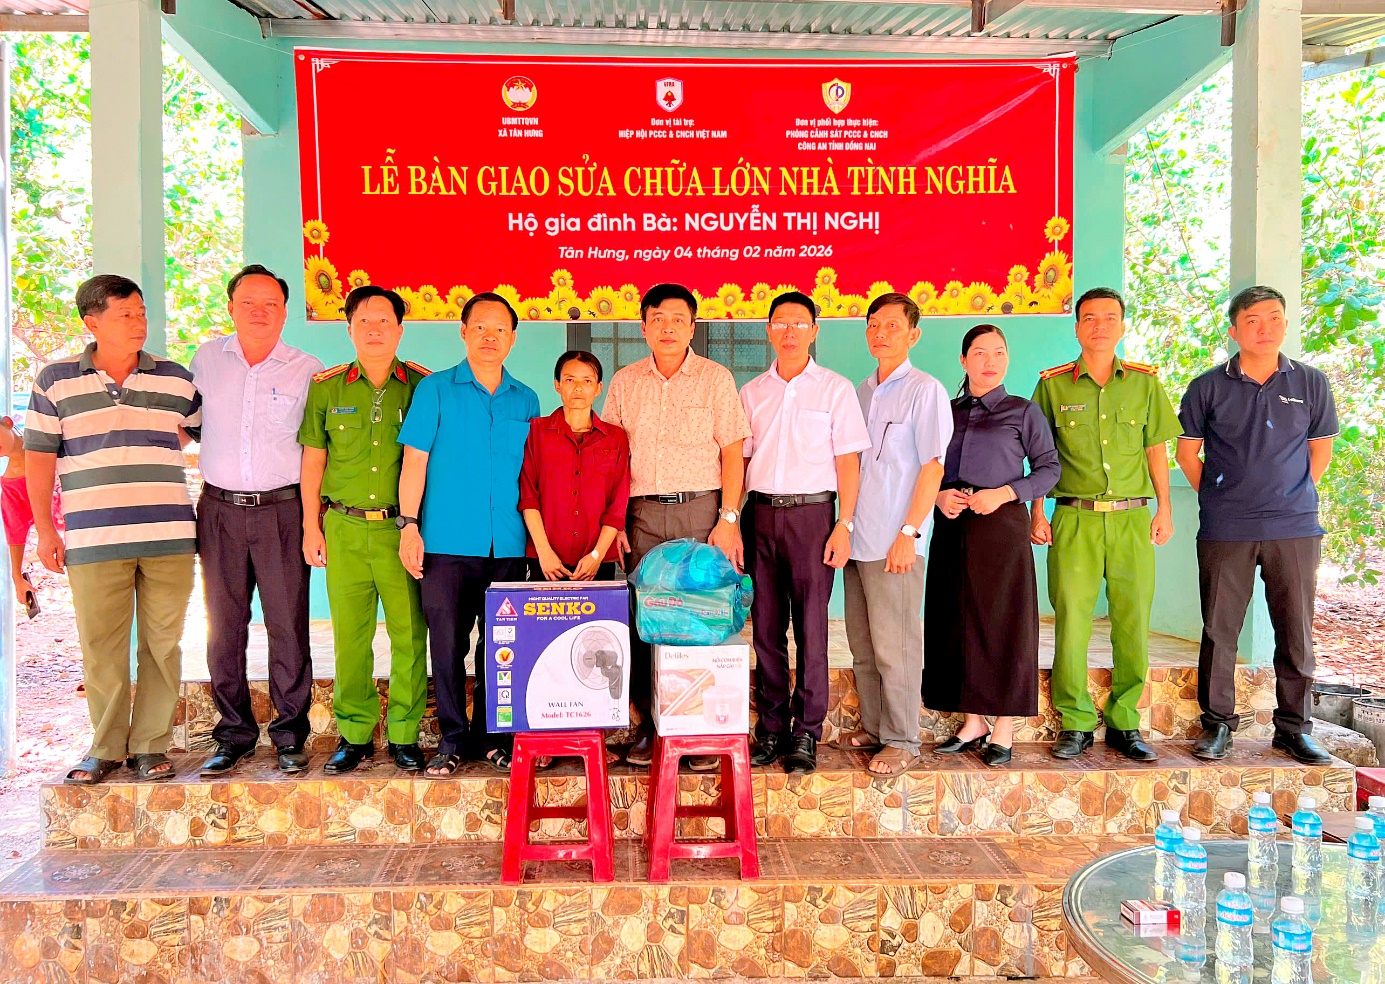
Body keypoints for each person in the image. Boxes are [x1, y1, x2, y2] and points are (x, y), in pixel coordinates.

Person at [26, 274, 201, 784]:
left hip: (168, 536)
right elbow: (39, 458)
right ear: (92, 322)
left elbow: (195, 431)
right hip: (93, 539)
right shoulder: (55, 380)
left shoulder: (176, 379)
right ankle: (104, 746)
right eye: (125, 314)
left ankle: (149, 745)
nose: (138, 322)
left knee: (162, 646)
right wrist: (45, 530)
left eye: (141, 312)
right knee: (101, 646)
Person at [1176, 285, 1337, 766]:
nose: (1264, 328)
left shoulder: (1311, 382)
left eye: (1274, 318)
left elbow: (1320, 451)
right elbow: (1187, 453)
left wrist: (1290, 495)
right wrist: (1221, 496)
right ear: (1234, 330)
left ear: (1285, 324)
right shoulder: (1208, 386)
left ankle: (1293, 729)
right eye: (1252, 320)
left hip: (1295, 527)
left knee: (1296, 630)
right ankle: (1217, 724)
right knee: (1220, 629)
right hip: (1227, 528)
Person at [600, 283, 751, 769]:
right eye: (658, 319)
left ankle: (697, 727)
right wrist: (614, 521)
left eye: (678, 319)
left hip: (701, 511)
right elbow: (612, 456)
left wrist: (729, 518)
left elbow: (733, 452)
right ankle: (651, 725)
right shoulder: (625, 382)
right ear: (644, 326)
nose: (668, 328)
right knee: (647, 617)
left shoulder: (715, 378)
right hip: (642, 514)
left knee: (700, 616)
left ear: (692, 326)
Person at [1031, 287, 1181, 762]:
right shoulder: (1053, 386)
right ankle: (1075, 720)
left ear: (1122, 325)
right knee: (1071, 620)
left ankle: (1124, 720)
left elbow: (1156, 449)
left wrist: (1164, 508)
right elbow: (1040, 454)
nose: (1099, 326)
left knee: (1132, 619)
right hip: (1073, 517)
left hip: (1132, 519)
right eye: (1090, 318)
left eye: (1109, 317)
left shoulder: (1144, 384)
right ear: (1077, 327)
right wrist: (1037, 511)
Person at [398, 292, 539, 777]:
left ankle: (492, 737)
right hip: (446, 543)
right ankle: (453, 739)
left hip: (508, 544)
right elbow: (414, 462)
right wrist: (409, 526)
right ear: (463, 332)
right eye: (480, 327)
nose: (489, 337)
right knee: (448, 645)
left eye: (500, 329)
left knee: (500, 647)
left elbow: (532, 475)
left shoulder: (526, 398)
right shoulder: (435, 390)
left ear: (513, 339)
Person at [190, 264, 323, 777]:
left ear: (285, 312)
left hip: (283, 511)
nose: (259, 311)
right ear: (231, 308)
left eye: (271, 303)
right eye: (248, 302)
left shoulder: (308, 369)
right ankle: (233, 734)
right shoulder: (206, 360)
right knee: (224, 627)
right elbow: (188, 427)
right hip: (219, 510)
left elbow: (317, 451)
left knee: (287, 626)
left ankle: (290, 734)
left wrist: (313, 520)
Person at [299, 286, 432, 773]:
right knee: (350, 637)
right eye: (364, 321)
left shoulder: (421, 386)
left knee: (409, 635)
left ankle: (404, 733)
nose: (374, 330)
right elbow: (314, 461)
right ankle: (354, 734)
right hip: (344, 527)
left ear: (400, 329)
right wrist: (311, 526)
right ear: (349, 328)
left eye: (384, 321)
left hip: (400, 529)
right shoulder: (327, 387)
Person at [741, 292, 870, 775]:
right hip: (760, 516)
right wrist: (732, 522)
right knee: (766, 628)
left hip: (814, 518)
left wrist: (844, 524)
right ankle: (772, 726)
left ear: (814, 330)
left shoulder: (836, 389)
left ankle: (806, 731)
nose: (790, 331)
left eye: (799, 323)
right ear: (769, 331)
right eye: (781, 323)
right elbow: (742, 461)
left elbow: (848, 463)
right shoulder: (752, 392)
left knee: (812, 628)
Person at [923, 325, 1060, 767]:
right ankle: (972, 722)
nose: (990, 361)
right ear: (963, 360)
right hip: (951, 523)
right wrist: (938, 496)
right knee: (954, 620)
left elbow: (1049, 468)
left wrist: (1004, 493)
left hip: (1001, 525)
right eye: (980, 353)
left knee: (1003, 623)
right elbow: (924, 466)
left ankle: (1003, 726)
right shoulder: (945, 412)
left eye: (999, 352)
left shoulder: (1023, 411)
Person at [843, 293, 952, 777]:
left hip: (895, 540)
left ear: (913, 334)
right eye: (873, 324)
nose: (880, 332)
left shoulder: (924, 390)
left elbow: (933, 466)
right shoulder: (861, 391)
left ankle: (904, 739)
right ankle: (874, 727)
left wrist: (909, 531)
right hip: (856, 538)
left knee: (898, 646)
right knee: (864, 645)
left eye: (892, 325)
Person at [519, 350, 630, 584]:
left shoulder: (615, 438)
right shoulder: (536, 432)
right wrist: (544, 552)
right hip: (546, 561)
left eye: (587, 381)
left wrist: (597, 555)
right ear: (557, 385)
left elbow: (617, 505)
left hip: (597, 561)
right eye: (570, 380)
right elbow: (529, 497)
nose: (578, 388)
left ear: (598, 388)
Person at [0, 415, 62, 617]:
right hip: (67, 549)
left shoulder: (53, 444)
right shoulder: (11, 484)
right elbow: (15, 531)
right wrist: (17, 577)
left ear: (8, 422)